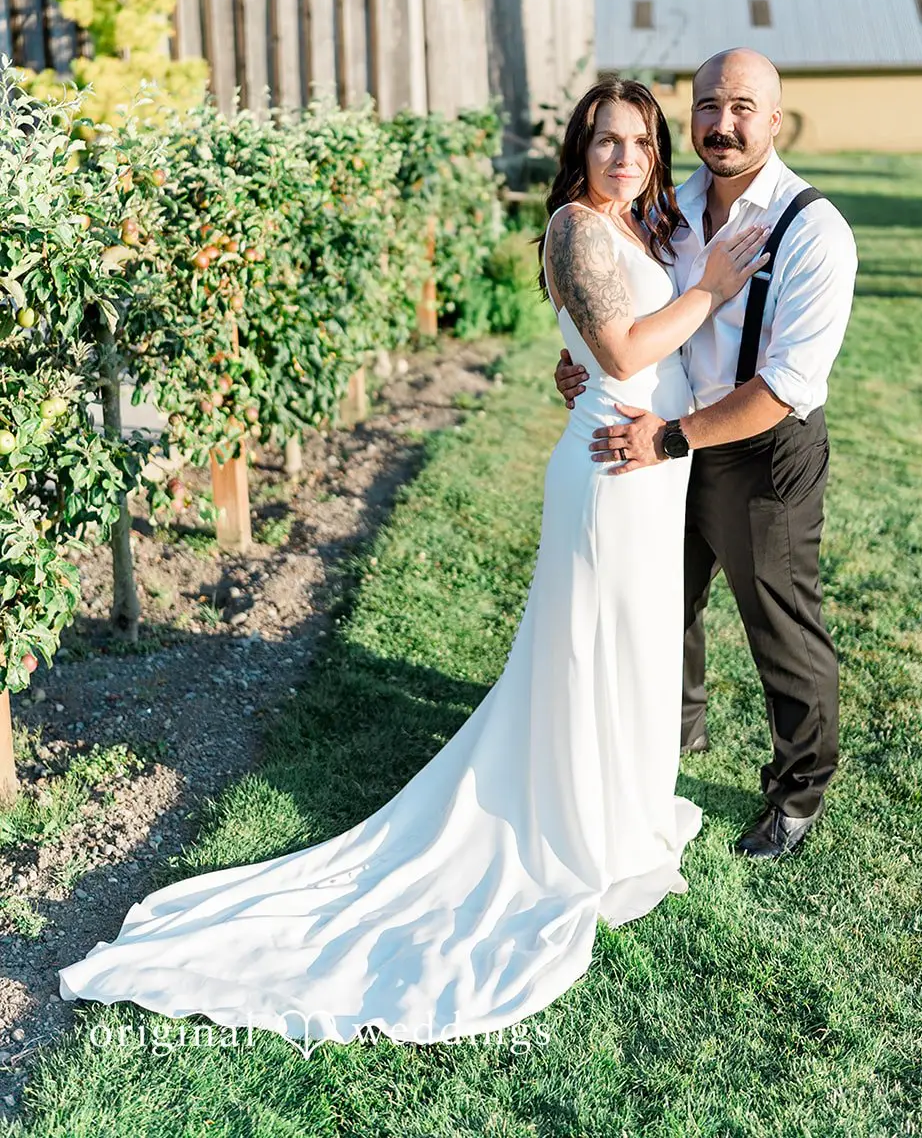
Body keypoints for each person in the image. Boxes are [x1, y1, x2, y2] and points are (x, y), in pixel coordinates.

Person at [57, 77, 769, 1052]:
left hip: (648, 472)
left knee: (637, 646)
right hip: (607, 474)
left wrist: (645, 324)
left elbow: (600, 350)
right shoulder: (573, 227)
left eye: (640, 143)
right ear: (579, 148)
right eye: (607, 141)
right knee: (589, 649)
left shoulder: (634, 226)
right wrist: (709, 290)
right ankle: (578, 825)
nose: (624, 158)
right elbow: (617, 350)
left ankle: (628, 807)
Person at [554, 49, 858, 861]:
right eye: (709, 107)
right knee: (664, 600)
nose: (723, 125)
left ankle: (796, 795)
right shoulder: (670, 206)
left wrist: (668, 436)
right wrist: (582, 357)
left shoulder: (813, 228)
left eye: (743, 108)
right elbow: (624, 308)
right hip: (670, 443)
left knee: (779, 624)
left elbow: (787, 383)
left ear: (775, 120)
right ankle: (671, 739)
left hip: (761, 450)